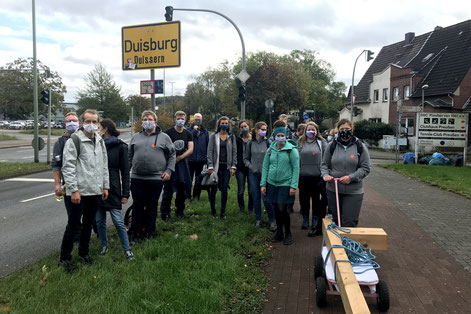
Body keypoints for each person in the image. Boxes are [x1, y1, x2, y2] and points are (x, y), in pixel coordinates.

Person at [59, 109, 109, 273]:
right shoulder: (74, 140)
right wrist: (73, 190)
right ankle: (65, 259)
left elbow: (103, 166)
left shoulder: (100, 140)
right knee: (73, 225)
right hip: (78, 192)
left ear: (98, 123)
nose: (91, 124)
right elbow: (68, 167)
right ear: (82, 123)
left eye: (95, 121)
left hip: (94, 191)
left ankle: (83, 254)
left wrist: (105, 186)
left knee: (88, 224)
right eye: (88, 121)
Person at [128, 110, 176, 241]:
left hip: (155, 178)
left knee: (152, 206)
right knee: (137, 205)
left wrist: (169, 170)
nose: (147, 121)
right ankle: (135, 233)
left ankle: (150, 232)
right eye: (144, 119)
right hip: (137, 177)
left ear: (155, 121)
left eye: (149, 119)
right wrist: (127, 173)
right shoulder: (135, 137)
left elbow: (172, 154)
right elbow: (129, 156)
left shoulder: (164, 137)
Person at [321, 119, 371, 227]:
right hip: (333, 189)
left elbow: (366, 168)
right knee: (336, 221)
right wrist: (325, 175)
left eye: (347, 129)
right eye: (341, 129)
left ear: (352, 129)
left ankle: (348, 243)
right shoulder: (331, 146)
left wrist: (351, 177)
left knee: (349, 222)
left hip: (354, 191)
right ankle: (337, 243)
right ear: (337, 130)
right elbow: (324, 164)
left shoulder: (360, 146)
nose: (344, 131)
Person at [96, 118, 134, 260]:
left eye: (99, 126)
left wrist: (125, 193)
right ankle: (104, 245)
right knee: (99, 221)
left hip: (113, 187)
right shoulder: (97, 145)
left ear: (105, 129)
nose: (96, 129)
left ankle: (127, 249)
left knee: (118, 220)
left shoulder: (121, 146)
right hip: (97, 187)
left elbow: (125, 172)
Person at [261, 120, 300, 245]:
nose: (280, 138)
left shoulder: (291, 150)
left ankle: (288, 232)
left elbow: (296, 168)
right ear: (274, 136)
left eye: (282, 135)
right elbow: (265, 166)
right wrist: (263, 184)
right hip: (272, 183)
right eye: (278, 135)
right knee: (275, 209)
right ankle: (279, 232)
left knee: (282, 208)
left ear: (286, 136)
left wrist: (293, 186)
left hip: (285, 183)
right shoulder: (270, 150)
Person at [51, 112, 80, 239]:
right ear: (65, 124)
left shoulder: (85, 138)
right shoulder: (60, 142)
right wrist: (57, 184)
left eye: (74, 120)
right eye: (69, 121)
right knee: (73, 214)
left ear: (79, 122)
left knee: (92, 214)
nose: (72, 123)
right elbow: (56, 165)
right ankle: (76, 239)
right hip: (68, 183)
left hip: (87, 181)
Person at [161, 111, 194, 220]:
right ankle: (165, 213)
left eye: (182, 118)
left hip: (182, 164)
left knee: (182, 188)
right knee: (168, 190)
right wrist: (171, 159)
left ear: (185, 120)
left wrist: (180, 158)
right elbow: (163, 148)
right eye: (178, 118)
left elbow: (190, 149)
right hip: (169, 164)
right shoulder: (168, 133)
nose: (180, 120)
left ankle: (180, 210)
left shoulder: (188, 133)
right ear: (175, 119)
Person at [297, 122, 328, 236]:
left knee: (316, 200)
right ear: (305, 131)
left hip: (317, 177)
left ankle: (315, 219)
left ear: (317, 131)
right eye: (309, 129)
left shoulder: (322, 143)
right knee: (303, 199)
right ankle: (305, 219)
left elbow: (326, 158)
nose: (311, 131)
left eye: (313, 129)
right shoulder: (300, 142)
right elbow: (297, 159)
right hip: (303, 176)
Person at [244, 121, 276, 230]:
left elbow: (273, 157)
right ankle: (258, 219)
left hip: (266, 175)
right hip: (253, 174)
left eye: (265, 129)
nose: (264, 131)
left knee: (266, 198)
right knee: (256, 197)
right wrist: (250, 166)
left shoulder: (268, 143)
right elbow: (246, 158)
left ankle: (272, 220)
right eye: (262, 129)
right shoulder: (250, 143)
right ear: (256, 130)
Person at [207, 116, 237, 219]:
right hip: (215, 167)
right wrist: (210, 166)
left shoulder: (231, 137)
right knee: (214, 189)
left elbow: (234, 152)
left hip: (226, 167)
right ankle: (213, 211)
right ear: (219, 124)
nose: (224, 125)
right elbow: (209, 151)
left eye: (226, 123)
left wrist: (233, 166)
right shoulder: (213, 136)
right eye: (222, 123)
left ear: (228, 124)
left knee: (224, 189)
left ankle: (222, 212)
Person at [186, 113, 209, 200]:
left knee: (198, 179)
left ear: (201, 120)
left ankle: (196, 196)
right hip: (190, 159)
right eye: (196, 119)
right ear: (193, 120)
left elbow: (207, 145)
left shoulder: (205, 131)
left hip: (201, 159)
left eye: (199, 119)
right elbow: (188, 140)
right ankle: (187, 196)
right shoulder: (188, 130)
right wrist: (195, 130)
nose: (197, 121)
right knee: (189, 178)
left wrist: (207, 158)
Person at [235, 120, 253, 213]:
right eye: (241, 127)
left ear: (249, 127)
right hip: (240, 168)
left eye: (245, 126)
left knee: (251, 190)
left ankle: (250, 208)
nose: (244, 128)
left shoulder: (253, 139)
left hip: (251, 168)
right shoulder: (237, 139)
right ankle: (241, 208)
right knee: (241, 190)